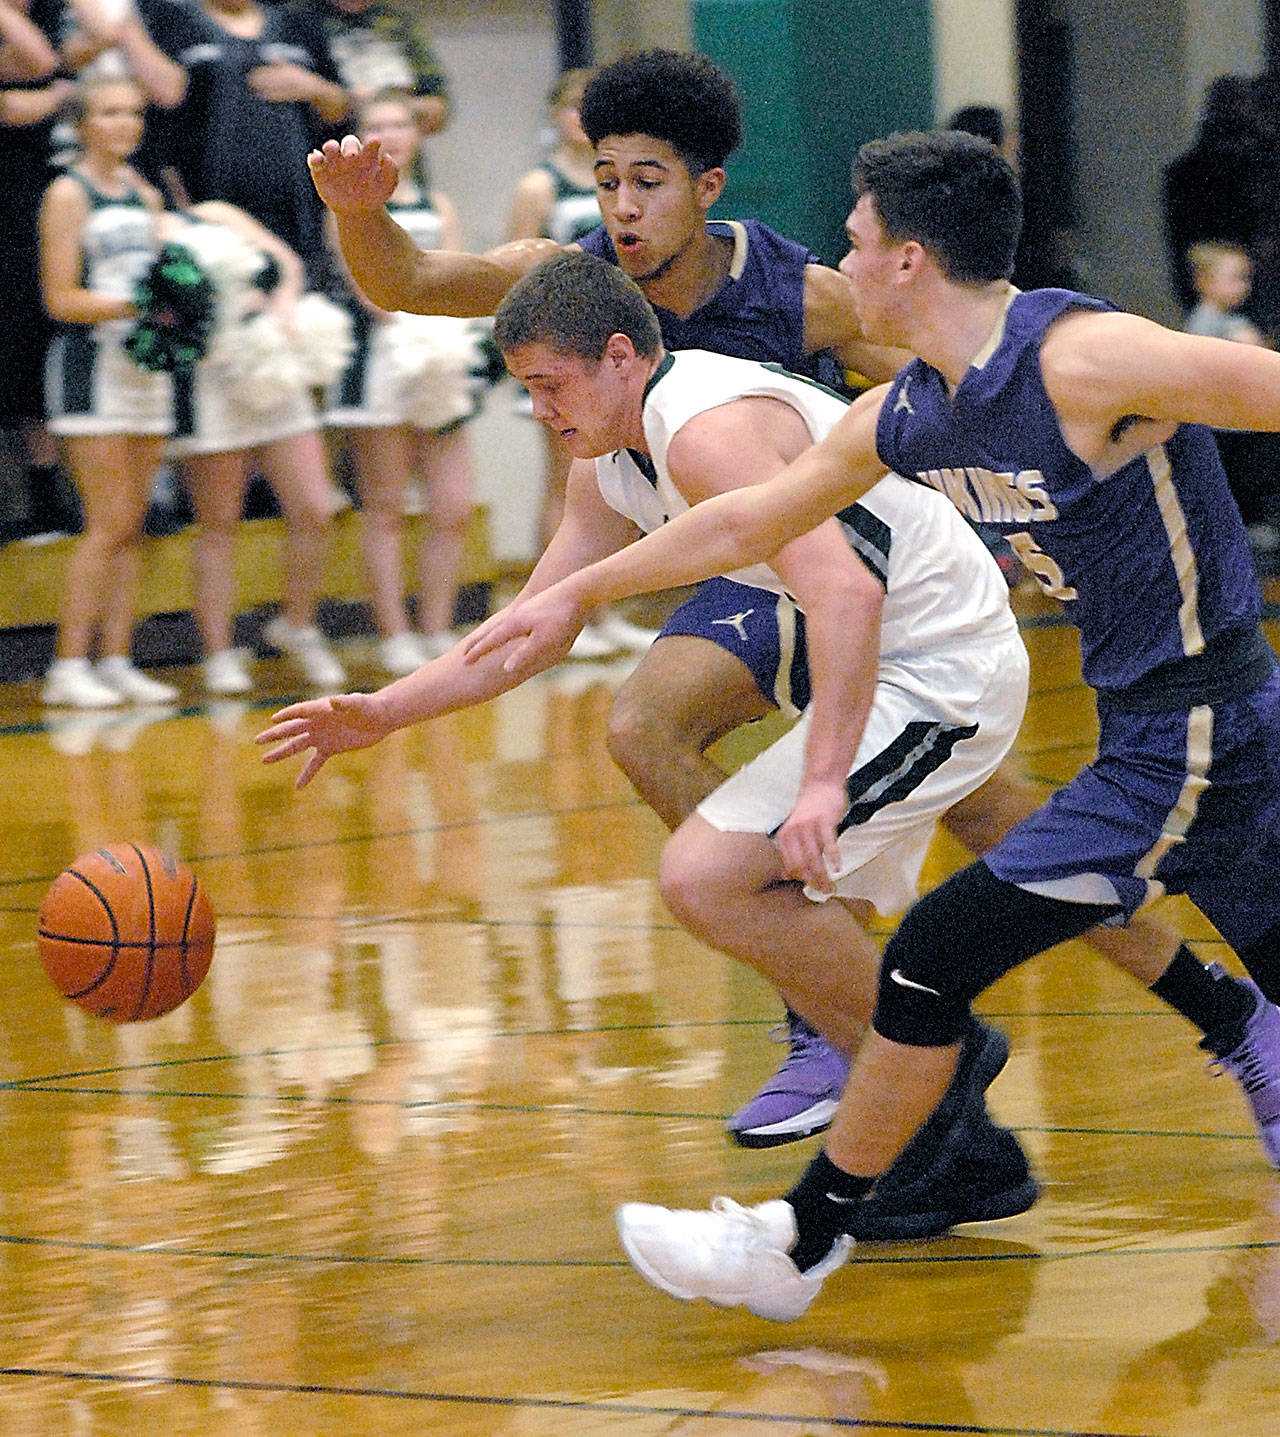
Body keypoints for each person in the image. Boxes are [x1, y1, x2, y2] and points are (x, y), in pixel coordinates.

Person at [308, 49, 1219, 1161]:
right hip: (742, 565)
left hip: (837, 565)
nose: (623, 207)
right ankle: (846, 1008)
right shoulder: (568, 286)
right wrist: (359, 214)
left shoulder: (806, 294)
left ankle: (911, 1016)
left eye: (648, 180)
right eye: (605, 180)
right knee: (663, 738)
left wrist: (1002, 507)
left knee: (943, 809)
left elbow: (946, 381)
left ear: (707, 187)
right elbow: (407, 284)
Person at [465, 130, 1280, 1321]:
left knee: (927, 957)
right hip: (1150, 734)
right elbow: (746, 524)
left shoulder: (1084, 358)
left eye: (850, 241)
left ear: (904, 261)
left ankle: (795, 1244)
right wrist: (567, 595)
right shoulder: (912, 409)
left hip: (1200, 728)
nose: (835, 264)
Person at [257, 250, 1040, 1240]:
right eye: (525, 391)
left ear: (619, 357)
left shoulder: (707, 431)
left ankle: (940, 1076)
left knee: (712, 875)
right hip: (882, 662)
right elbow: (535, 622)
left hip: (940, 667)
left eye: (548, 385)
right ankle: (955, 1134)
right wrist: (385, 711)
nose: (538, 410)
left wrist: (821, 781)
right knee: (727, 880)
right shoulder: (610, 458)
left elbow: (846, 590)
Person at [162, 198, 348, 694]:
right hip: (212, 378)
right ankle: (219, 652)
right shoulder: (157, 231)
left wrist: (282, 304)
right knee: (219, 522)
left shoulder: (217, 212)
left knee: (315, 506)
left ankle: (298, 624)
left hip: (271, 363)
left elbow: (286, 262)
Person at [324, 88, 478, 675]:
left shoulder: (437, 201)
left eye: (402, 123)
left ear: (419, 133)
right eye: (377, 123)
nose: (390, 133)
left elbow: (459, 273)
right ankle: (393, 633)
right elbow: (360, 281)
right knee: (386, 506)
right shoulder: (345, 202)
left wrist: (446, 336)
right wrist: (413, 321)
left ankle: (437, 629)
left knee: (453, 506)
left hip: (437, 357)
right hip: (382, 359)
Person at [38, 75, 179, 708]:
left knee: (133, 524)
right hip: (89, 373)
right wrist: (140, 306)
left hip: (144, 372)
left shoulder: (147, 194)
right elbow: (60, 297)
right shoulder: (69, 194)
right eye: (110, 112)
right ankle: (68, 664)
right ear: (84, 122)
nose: (125, 123)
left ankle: (117, 657)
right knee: (105, 522)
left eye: (133, 112)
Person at [506, 66, 654, 660]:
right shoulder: (537, 189)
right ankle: (572, 616)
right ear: (555, 116)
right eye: (571, 108)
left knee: (621, 484)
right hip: (565, 359)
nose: (581, 120)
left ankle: (607, 609)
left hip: (616, 352)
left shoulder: (625, 188)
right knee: (569, 484)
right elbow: (522, 277)